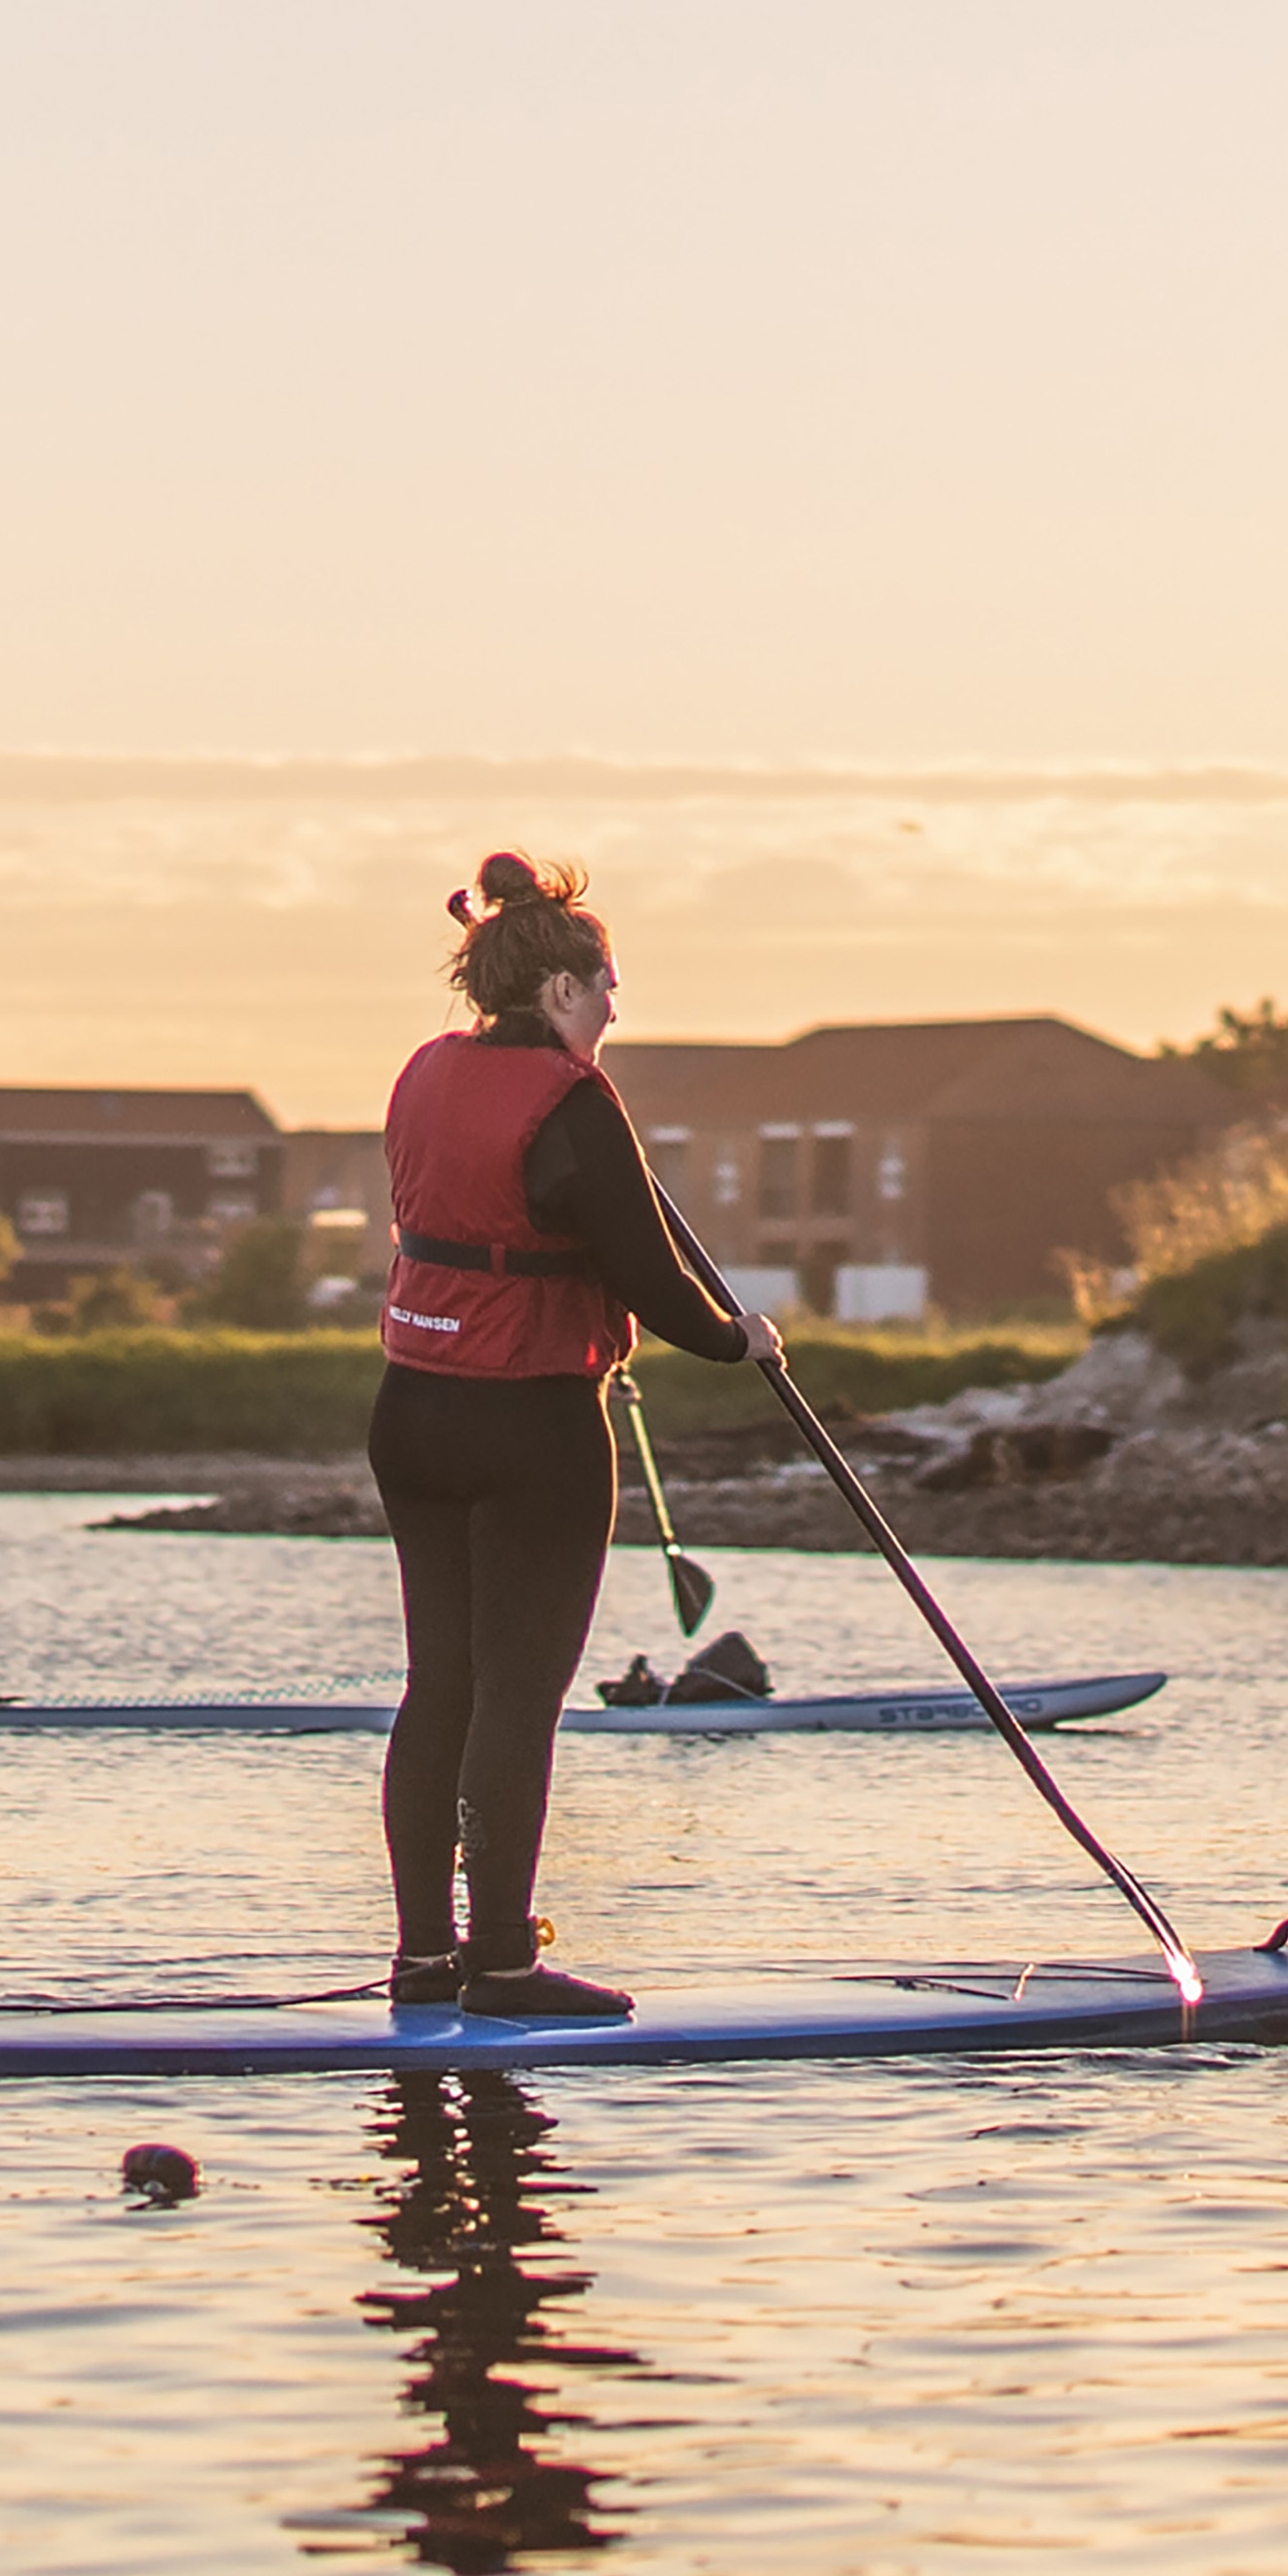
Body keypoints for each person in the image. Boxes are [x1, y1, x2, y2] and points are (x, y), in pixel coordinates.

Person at [365, 850, 768, 2015]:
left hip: (412, 1414)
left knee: (439, 1686)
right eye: (606, 991)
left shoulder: (423, 1072)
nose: (611, 1014)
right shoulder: (578, 1106)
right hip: (531, 1422)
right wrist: (740, 1340)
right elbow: (652, 1280)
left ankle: (425, 1956)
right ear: (558, 990)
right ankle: (501, 1962)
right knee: (518, 1697)